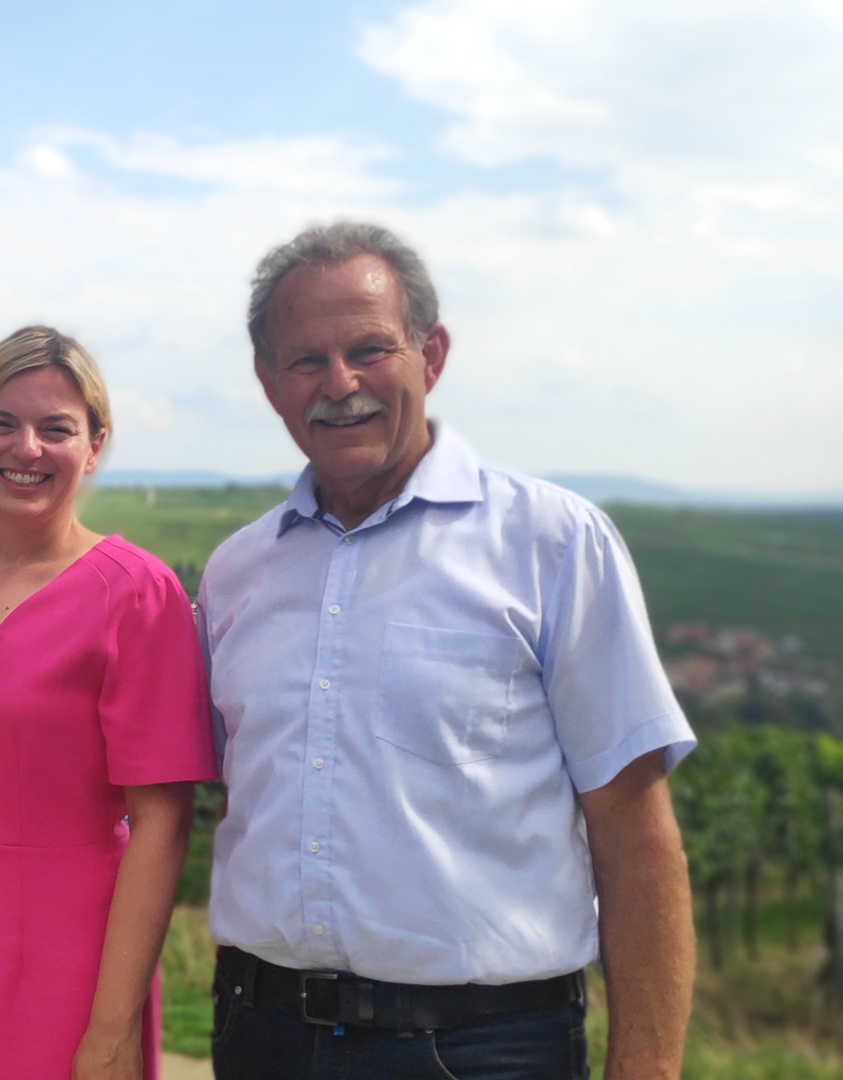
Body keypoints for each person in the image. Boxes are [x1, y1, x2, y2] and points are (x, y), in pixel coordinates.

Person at [201, 221, 696, 1079]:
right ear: (268, 383)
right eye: (306, 360)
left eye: (369, 349)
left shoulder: (552, 543)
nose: (341, 384)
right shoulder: (238, 571)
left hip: (484, 1051)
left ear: (430, 356)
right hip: (263, 1036)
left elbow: (637, 835)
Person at [0, 326, 217, 1080]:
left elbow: (163, 820)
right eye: (2, 423)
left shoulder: (137, 594)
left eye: (56, 428)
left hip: (75, 970)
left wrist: (112, 1031)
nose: (26, 448)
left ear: (94, 445)